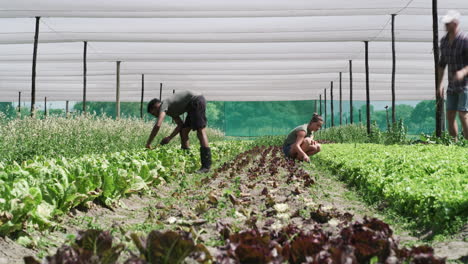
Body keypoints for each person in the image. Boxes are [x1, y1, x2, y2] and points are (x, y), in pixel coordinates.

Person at [146, 90, 211, 173]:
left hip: (196, 100)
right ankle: (186, 158)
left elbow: (158, 125)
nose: (154, 116)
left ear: (155, 107)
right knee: (184, 131)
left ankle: (206, 165)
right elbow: (180, 125)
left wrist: (148, 143)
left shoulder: (164, 104)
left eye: (153, 113)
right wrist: (169, 138)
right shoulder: (170, 110)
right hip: (191, 106)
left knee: (200, 130)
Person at [437, 10, 468, 140]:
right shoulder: (443, 42)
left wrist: (462, 72)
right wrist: (439, 85)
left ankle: (466, 143)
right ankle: (453, 144)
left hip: (466, 84)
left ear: (455, 24)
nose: (445, 25)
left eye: (448, 23)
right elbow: (442, 64)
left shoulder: (465, 40)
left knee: (463, 114)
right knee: (450, 114)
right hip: (452, 84)